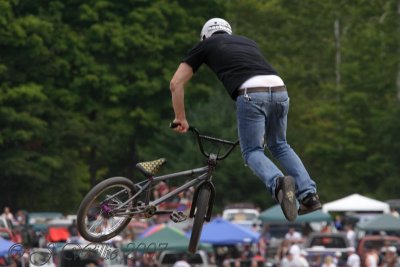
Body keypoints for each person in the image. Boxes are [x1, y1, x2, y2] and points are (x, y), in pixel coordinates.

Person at [169, 17, 322, 221]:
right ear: (229, 32)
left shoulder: (204, 44)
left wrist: (181, 118)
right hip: (279, 88)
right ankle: (309, 195)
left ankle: (277, 183)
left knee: (252, 151)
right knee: (280, 145)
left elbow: (175, 83)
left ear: (205, 36)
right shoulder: (248, 42)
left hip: (251, 93)